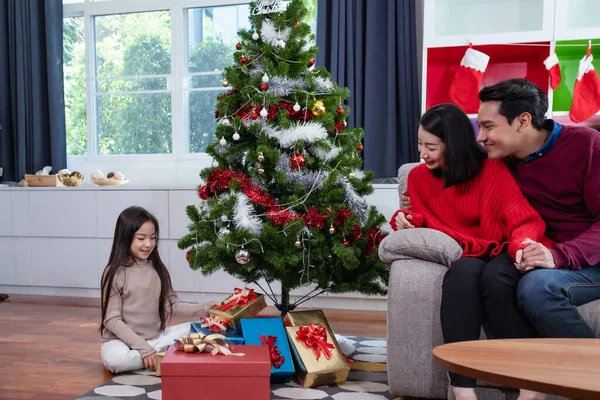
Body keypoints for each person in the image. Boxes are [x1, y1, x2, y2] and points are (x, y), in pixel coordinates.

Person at [390, 103, 552, 400]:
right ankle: (462, 389)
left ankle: (530, 384)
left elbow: (521, 217)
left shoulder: (490, 168)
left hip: (502, 246)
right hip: (466, 253)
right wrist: (402, 219)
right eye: (419, 144)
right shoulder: (418, 178)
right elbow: (420, 217)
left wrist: (523, 249)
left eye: (431, 147)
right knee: (461, 276)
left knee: (495, 280)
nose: (422, 154)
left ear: (454, 145)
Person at [100, 206, 217, 373]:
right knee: (117, 361)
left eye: (153, 238)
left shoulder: (158, 268)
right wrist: (143, 347)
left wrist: (206, 308)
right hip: (120, 342)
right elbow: (111, 320)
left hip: (156, 338)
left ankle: (158, 353)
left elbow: (171, 305)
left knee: (207, 329)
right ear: (125, 238)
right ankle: (164, 354)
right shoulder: (114, 272)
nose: (148, 244)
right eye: (141, 238)